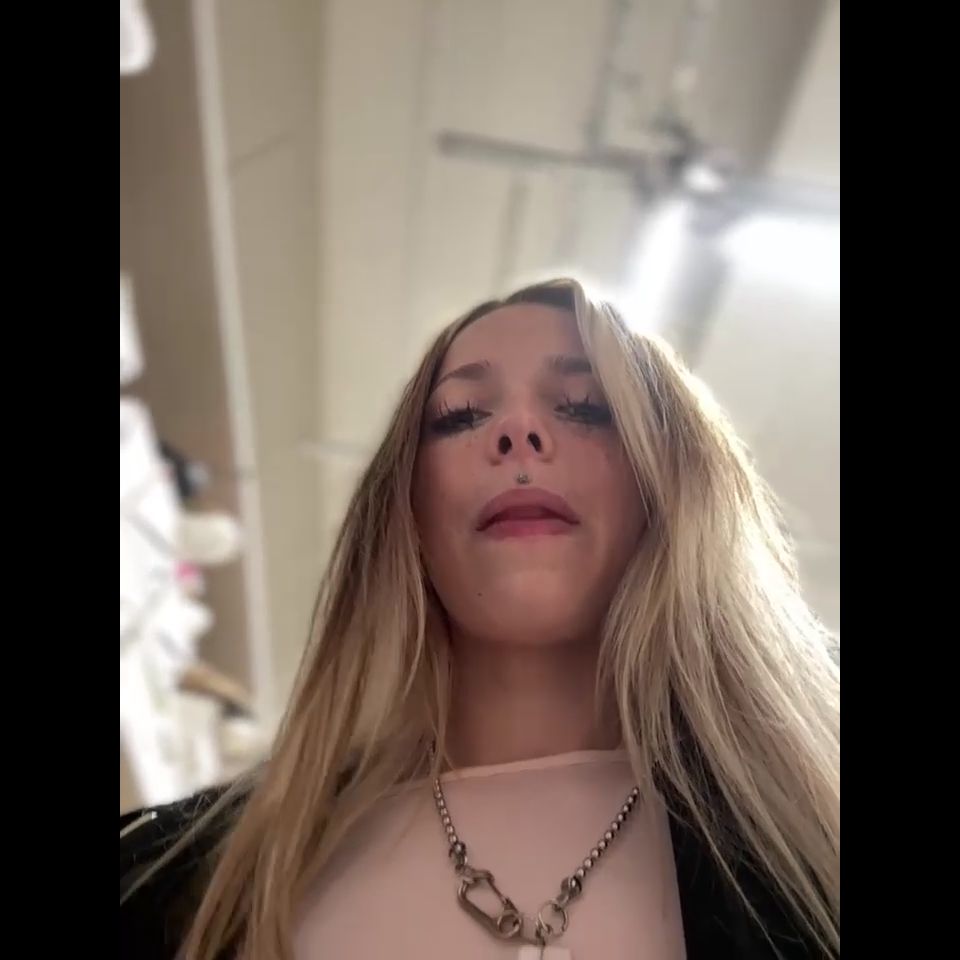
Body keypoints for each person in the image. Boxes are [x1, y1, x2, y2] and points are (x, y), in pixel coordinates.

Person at [120, 278, 840, 960]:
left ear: (672, 488)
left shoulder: (811, 860)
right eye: (460, 416)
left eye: (586, 406)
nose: (519, 430)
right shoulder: (171, 884)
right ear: (404, 511)